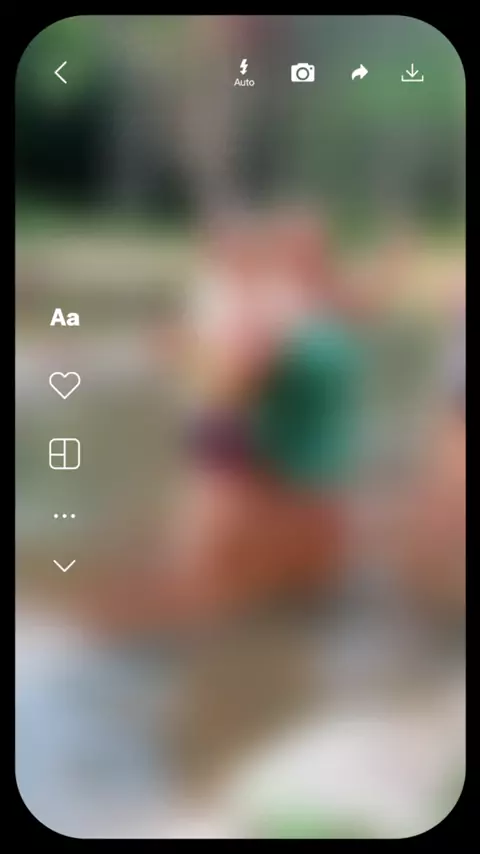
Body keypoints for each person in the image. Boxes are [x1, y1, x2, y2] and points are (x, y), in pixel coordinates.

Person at [84, 207, 360, 635]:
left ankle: (180, 618)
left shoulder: (280, 304)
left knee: (215, 548)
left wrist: (196, 358)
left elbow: (235, 376)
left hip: (262, 444)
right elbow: (231, 375)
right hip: (246, 440)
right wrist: (193, 357)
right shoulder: (250, 300)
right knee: (211, 544)